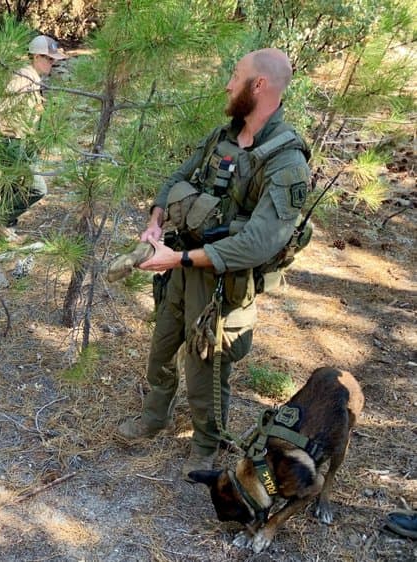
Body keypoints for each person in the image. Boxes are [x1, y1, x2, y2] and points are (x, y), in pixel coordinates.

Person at [116, 49, 311, 479]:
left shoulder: (286, 161)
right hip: (181, 266)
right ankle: (155, 416)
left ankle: (205, 444)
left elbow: (259, 243)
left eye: (235, 75)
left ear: (259, 85)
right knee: (162, 347)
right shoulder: (222, 137)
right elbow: (174, 182)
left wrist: (180, 257)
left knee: (206, 370)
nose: (227, 83)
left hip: (222, 280)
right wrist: (155, 222)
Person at [0, 35, 66, 241]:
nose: (53, 63)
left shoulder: (33, 79)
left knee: (12, 185)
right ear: (37, 56)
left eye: (53, 60)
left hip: (21, 143)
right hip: (9, 142)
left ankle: (4, 228)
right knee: (37, 188)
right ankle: (1, 219)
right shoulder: (23, 78)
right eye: (49, 59)